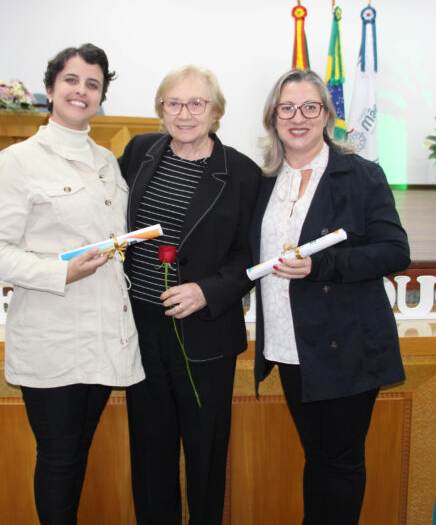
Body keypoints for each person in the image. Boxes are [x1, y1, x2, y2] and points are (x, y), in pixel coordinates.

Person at [0, 43, 144, 525]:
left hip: (104, 334)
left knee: (78, 452)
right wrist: (58, 271)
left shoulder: (108, 162)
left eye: (93, 84)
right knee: (59, 458)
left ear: (101, 96)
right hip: (52, 337)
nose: (81, 91)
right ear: (49, 89)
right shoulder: (18, 161)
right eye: (71, 80)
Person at [250, 68, 410, 525]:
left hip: (346, 345)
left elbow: (395, 251)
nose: (297, 118)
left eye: (309, 107)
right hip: (288, 344)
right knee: (317, 455)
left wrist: (322, 265)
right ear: (273, 117)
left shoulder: (360, 175)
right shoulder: (265, 180)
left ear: (326, 115)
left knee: (340, 462)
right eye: (287, 108)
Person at [118, 65, 261, 525]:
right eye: (174, 103)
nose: (184, 113)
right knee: (149, 454)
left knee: (205, 455)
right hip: (142, 329)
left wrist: (207, 290)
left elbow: (252, 256)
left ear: (215, 111)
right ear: (161, 110)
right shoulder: (139, 151)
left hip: (205, 334)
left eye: (197, 103)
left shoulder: (242, 173)